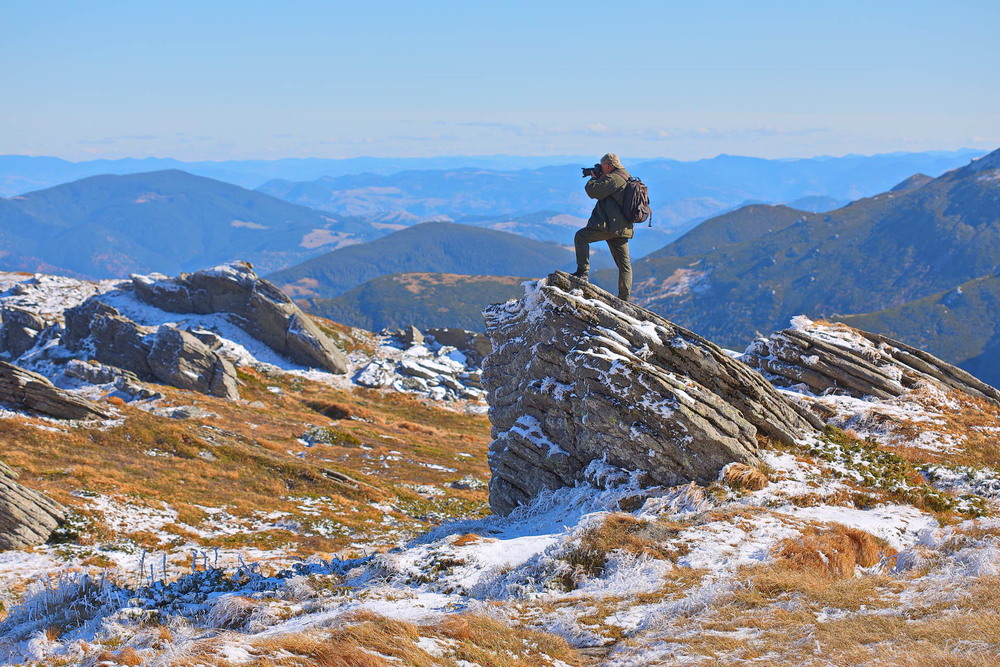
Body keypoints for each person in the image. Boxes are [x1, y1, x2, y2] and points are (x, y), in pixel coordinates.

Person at [571, 153, 633, 300]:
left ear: (608, 165)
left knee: (581, 237)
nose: (601, 167)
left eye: (602, 165)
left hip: (609, 226)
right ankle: (624, 298)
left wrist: (593, 177)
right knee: (624, 264)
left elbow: (593, 192)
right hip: (622, 227)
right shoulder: (625, 176)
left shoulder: (614, 178)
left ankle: (582, 273)